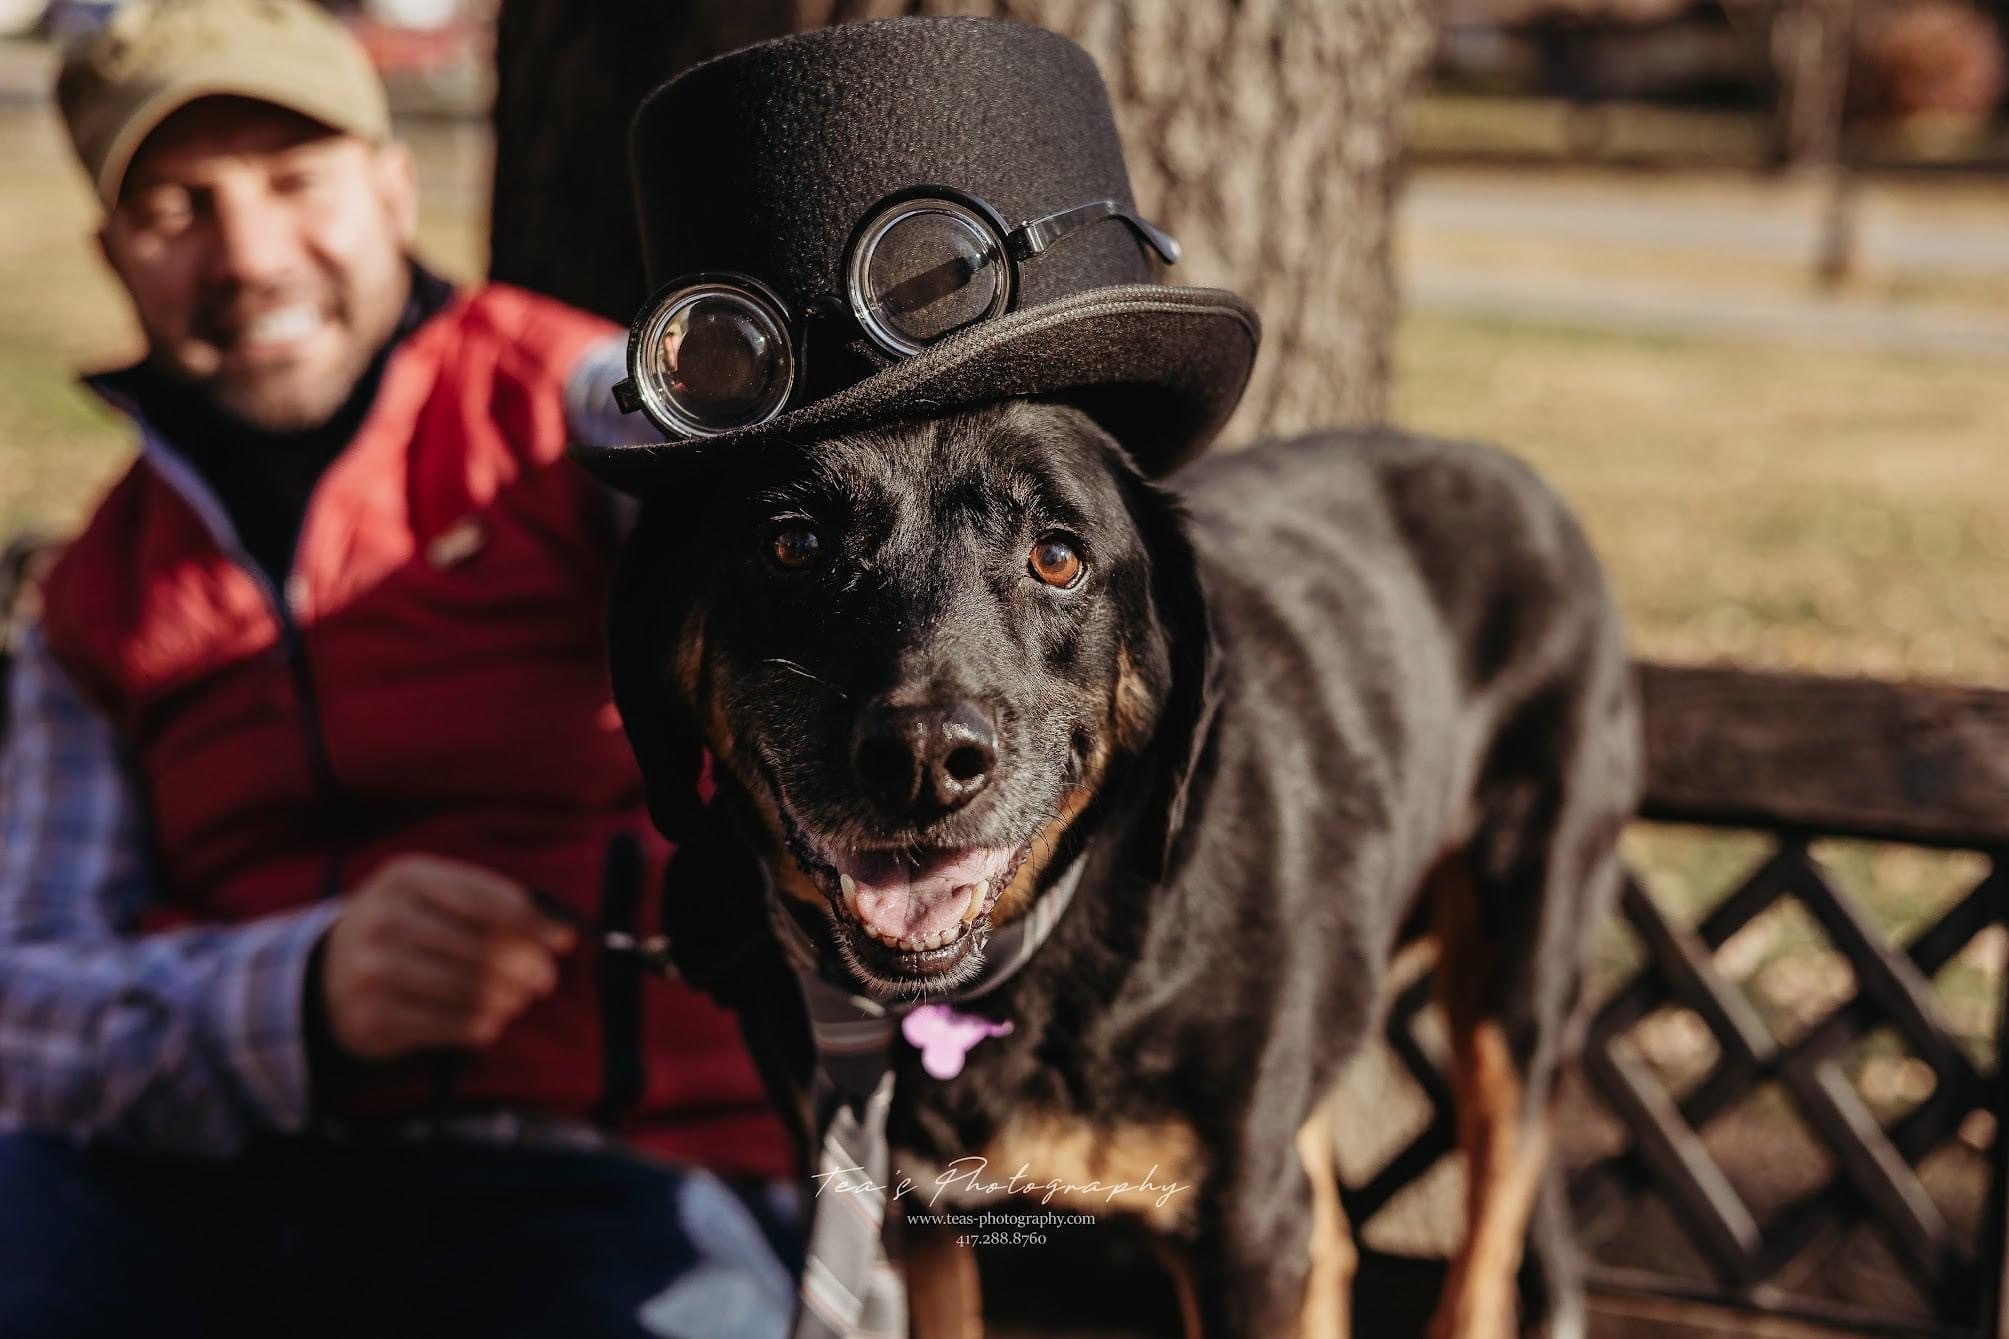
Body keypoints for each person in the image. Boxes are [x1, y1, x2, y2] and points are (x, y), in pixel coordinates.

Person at [0, 1, 797, 1335]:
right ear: (111, 252)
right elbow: (25, 1001)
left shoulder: (580, 415)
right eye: (175, 208)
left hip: (617, 1167)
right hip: (198, 1192)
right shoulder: (99, 591)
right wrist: (300, 995)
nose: (247, 255)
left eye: (294, 181)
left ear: (391, 185)